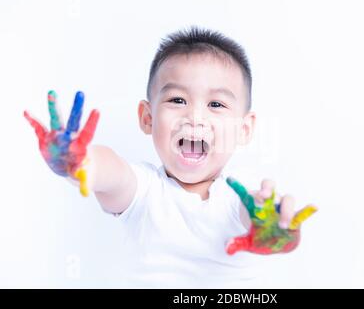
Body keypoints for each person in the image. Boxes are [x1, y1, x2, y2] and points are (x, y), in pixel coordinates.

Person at [24, 26, 315, 288]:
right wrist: (79, 161)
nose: (195, 116)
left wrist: (275, 227)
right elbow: (112, 173)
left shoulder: (243, 195)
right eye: (177, 100)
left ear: (244, 128)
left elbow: (253, 213)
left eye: (216, 103)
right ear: (148, 118)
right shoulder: (143, 189)